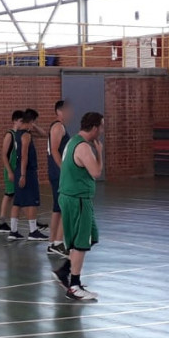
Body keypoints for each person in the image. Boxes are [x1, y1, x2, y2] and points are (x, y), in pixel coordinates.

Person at [52, 112, 104, 301]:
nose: (102, 130)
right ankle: (74, 286)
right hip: (77, 198)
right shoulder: (83, 147)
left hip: (71, 197)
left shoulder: (73, 140)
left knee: (90, 238)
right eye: (102, 126)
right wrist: (99, 152)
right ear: (95, 127)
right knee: (80, 243)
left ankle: (65, 270)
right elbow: (96, 172)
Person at [8, 109, 49, 241]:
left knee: (18, 202)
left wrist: (33, 125)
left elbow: (44, 135)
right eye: (34, 122)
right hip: (26, 171)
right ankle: (33, 231)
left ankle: (13, 231)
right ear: (31, 121)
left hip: (19, 169)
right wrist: (23, 175)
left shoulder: (20, 133)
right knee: (31, 201)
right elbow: (24, 155)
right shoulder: (26, 135)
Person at [46, 100, 72, 258]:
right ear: (60, 111)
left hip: (56, 172)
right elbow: (55, 151)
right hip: (58, 173)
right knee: (65, 208)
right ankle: (58, 243)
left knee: (57, 209)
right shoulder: (58, 126)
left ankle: (52, 243)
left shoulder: (59, 127)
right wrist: (64, 170)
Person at [0, 110, 24, 233]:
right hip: (10, 168)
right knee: (9, 194)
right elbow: (3, 155)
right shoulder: (10, 135)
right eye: (21, 121)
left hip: (17, 168)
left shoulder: (21, 134)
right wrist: (9, 171)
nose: (23, 123)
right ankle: (1, 221)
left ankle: (2, 222)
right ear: (15, 121)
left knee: (13, 195)